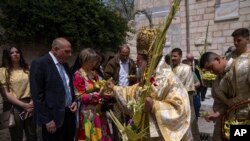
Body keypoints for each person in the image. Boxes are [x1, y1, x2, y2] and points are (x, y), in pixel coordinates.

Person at [108, 57, 192, 141]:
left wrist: (154, 105)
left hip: (160, 134)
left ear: (148, 60)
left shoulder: (170, 79)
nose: (137, 63)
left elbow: (180, 107)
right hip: (143, 130)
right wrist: (115, 89)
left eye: (139, 59)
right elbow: (134, 90)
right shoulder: (148, 76)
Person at [29, 37, 77, 141]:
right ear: (55, 49)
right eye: (67, 51)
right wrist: (47, 120)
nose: (70, 55)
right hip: (53, 118)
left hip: (68, 114)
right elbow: (37, 95)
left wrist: (73, 101)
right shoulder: (40, 64)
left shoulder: (65, 64)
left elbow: (69, 87)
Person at [73, 48, 112, 141]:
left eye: (94, 61)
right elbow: (80, 96)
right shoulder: (78, 75)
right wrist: (99, 95)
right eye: (91, 61)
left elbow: (102, 86)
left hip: (99, 112)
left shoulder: (94, 74)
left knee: (102, 136)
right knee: (91, 136)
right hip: (88, 113)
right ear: (84, 60)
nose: (93, 64)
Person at [199, 51, 250, 124]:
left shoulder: (244, 66)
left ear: (217, 59)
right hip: (231, 120)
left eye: (211, 68)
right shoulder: (216, 82)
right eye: (209, 71)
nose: (211, 72)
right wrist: (217, 113)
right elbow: (221, 102)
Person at [0, 46, 37, 141]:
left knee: (32, 134)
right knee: (16, 136)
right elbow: (6, 94)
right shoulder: (3, 71)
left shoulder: (27, 68)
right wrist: (23, 105)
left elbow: (33, 86)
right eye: (11, 53)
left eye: (17, 52)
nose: (15, 54)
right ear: (7, 55)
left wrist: (32, 103)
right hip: (14, 107)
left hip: (30, 103)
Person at [171, 48, 200, 141]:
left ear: (180, 56)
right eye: (171, 56)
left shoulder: (186, 68)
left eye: (175, 56)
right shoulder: (169, 69)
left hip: (185, 103)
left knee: (187, 127)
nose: (173, 58)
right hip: (171, 103)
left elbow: (189, 88)